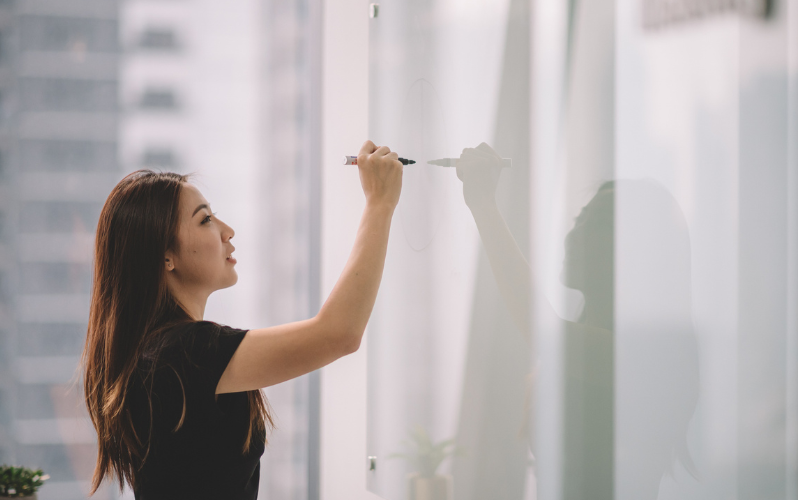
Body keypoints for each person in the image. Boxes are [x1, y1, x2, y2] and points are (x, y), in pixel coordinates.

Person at [79, 141, 403, 499]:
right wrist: (380, 203)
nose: (227, 230)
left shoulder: (161, 354)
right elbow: (338, 334)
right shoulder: (186, 352)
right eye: (205, 220)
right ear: (166, 257)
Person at [455, 142, 699, 499]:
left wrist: (483, 204)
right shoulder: (590, 349)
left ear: (639, 251)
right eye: (578, 219)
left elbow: (544, 333)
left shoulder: (653, 353)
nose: (573, 235)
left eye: (596, 224)